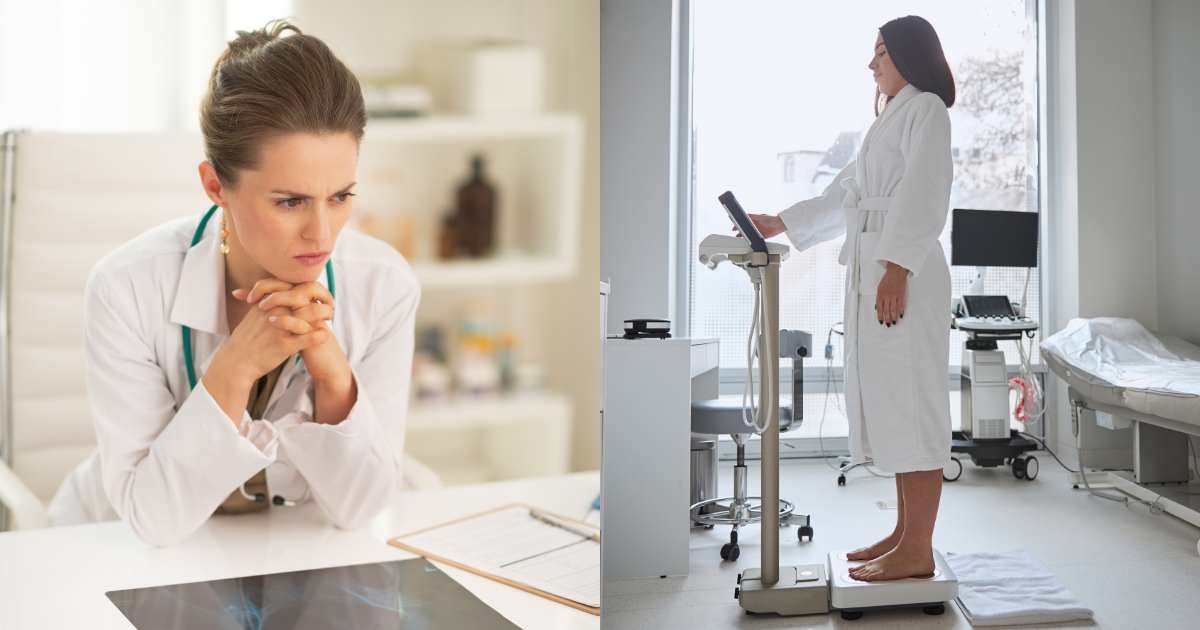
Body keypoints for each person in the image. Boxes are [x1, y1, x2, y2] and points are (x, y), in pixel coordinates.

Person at [47, 20, 421, 546]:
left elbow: (359, 507)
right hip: (111, 551)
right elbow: (152, 520)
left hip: (278, 553)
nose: (323, 233)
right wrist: (239, 363)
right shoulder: (125, 288)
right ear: (214, 185)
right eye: (290, 201)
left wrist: (333, 376)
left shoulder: (384, 286)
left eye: (340, 197)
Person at [748, 15, 955, 581]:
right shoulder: (888, 120)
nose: (872, 64)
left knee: (915, 405)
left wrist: (897, 267)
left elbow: (924, 192)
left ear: (910, 56)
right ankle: (903, 534)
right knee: (892, 401)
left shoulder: (928, 110)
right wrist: (782, 221)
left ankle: (919, 549)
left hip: (900, 272)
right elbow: (846, 191)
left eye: (882, 52)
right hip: (879, 269)